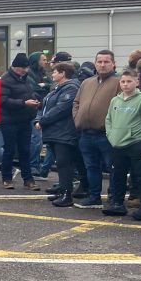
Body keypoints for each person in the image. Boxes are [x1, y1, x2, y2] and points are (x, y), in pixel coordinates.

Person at [103, 68, 141, 220]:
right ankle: (117, 203)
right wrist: (111, 136)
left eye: (129, 81)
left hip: (136, 144)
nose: (125, 84)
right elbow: (108, 120)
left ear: (136, 82)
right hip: (117, 145)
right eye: (123, 81)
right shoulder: (115, 100)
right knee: (118, 175)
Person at [72, 50, 119, 209]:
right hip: (86, 133)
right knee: (91, 167)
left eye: (106, 62)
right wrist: (77, 118)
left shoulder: (119, 82)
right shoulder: (87, 82)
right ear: (95, 63)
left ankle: (114, 198)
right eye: (99, 62)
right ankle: (94, 197)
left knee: (113, 168)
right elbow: (76, 103)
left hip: (107, 134)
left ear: (113, 64)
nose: (102, 65)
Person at [36, 62, 81, 207]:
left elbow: (61, 109)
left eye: (55, 72)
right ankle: (62, 191)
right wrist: (39, 119)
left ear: (63, 73)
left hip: (64, 131)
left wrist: (43, 121)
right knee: (60, 163)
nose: (52, 74)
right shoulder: (57, 88)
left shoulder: (71, 88)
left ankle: (67, 195)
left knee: (64, 163)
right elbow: (46, 106)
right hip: (56, 131)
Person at [0, 53, 40, 190]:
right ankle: (7, 178)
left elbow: (28, 93)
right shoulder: (5, 80)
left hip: (24, 119)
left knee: (25, 150)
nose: (25, 70)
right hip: (9, 120)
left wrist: (34, 99)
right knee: (9, 150)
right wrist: (24, 103)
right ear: (15, 67)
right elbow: (3, 101)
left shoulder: (25, 78)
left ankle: (28, 179)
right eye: (23, 68)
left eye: (26, 68)